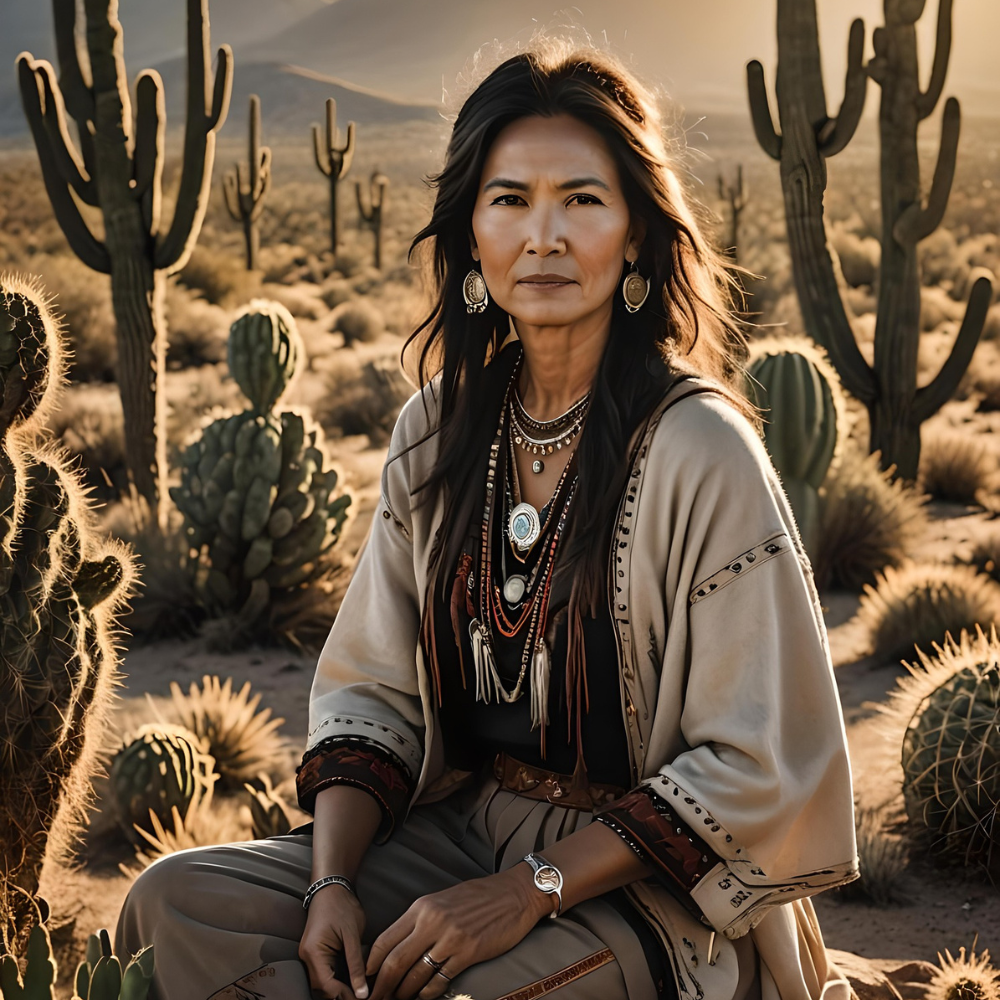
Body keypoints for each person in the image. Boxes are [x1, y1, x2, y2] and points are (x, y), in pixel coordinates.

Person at [116, 37, 859, 1000]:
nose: (543, 237)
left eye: (582, 200)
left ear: (636, 231)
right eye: (510, 200)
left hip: (647, 888)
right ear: (472, 232)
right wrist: (332, 882)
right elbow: (369, 694)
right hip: (455, 831)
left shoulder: (698, 448)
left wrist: (527, 891)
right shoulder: (437, 431)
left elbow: (761, 767)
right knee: (168, 906)